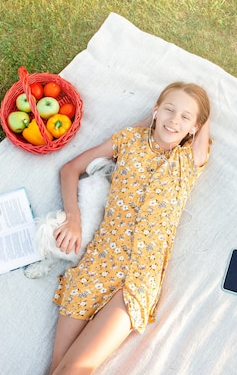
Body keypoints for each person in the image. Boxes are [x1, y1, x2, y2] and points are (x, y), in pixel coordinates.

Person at [48, 82, 211, 375]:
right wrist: (73, 218)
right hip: (98, 263)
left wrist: (188, 116)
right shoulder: (129, 141)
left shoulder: (189, 162)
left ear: (195, 128)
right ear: (155, 110)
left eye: (186, 117)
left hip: (137, 280)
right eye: (169, 110)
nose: (175, 120)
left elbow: (200, 121)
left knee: (74, 370)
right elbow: (70, 169)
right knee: (58, 369)